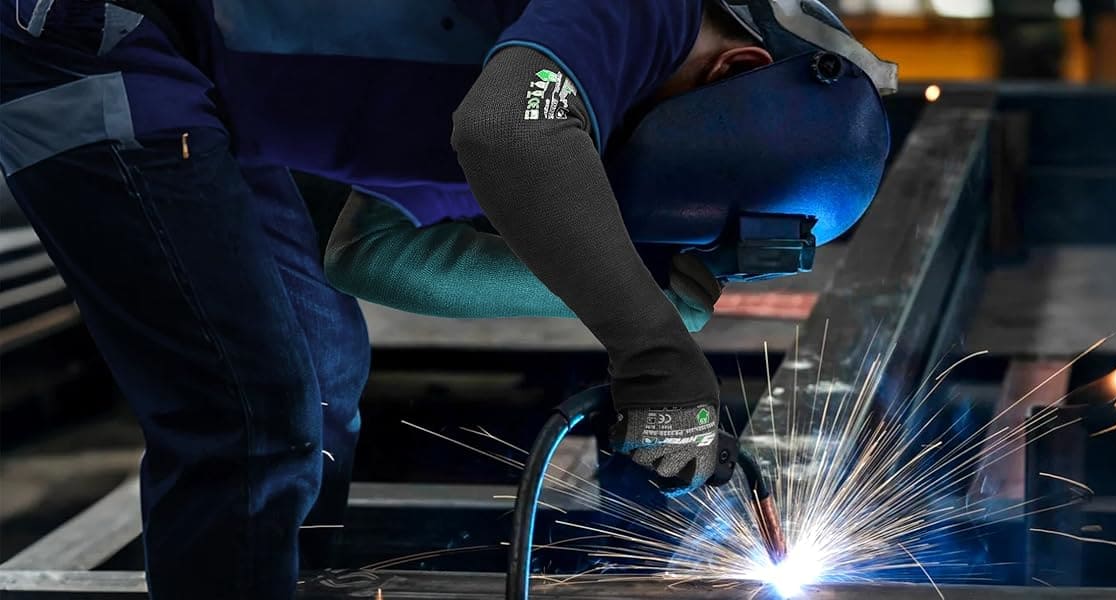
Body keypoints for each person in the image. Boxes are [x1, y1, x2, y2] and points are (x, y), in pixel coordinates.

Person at [0, 0, 893, 598]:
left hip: (201, 97)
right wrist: (649, 345)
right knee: (249, 412)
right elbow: (514, 130)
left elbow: (372, 254)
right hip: (92, 34)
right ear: (733, 63)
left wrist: (657, 320)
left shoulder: (543, 86)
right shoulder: (637, 15)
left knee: (319, 373)